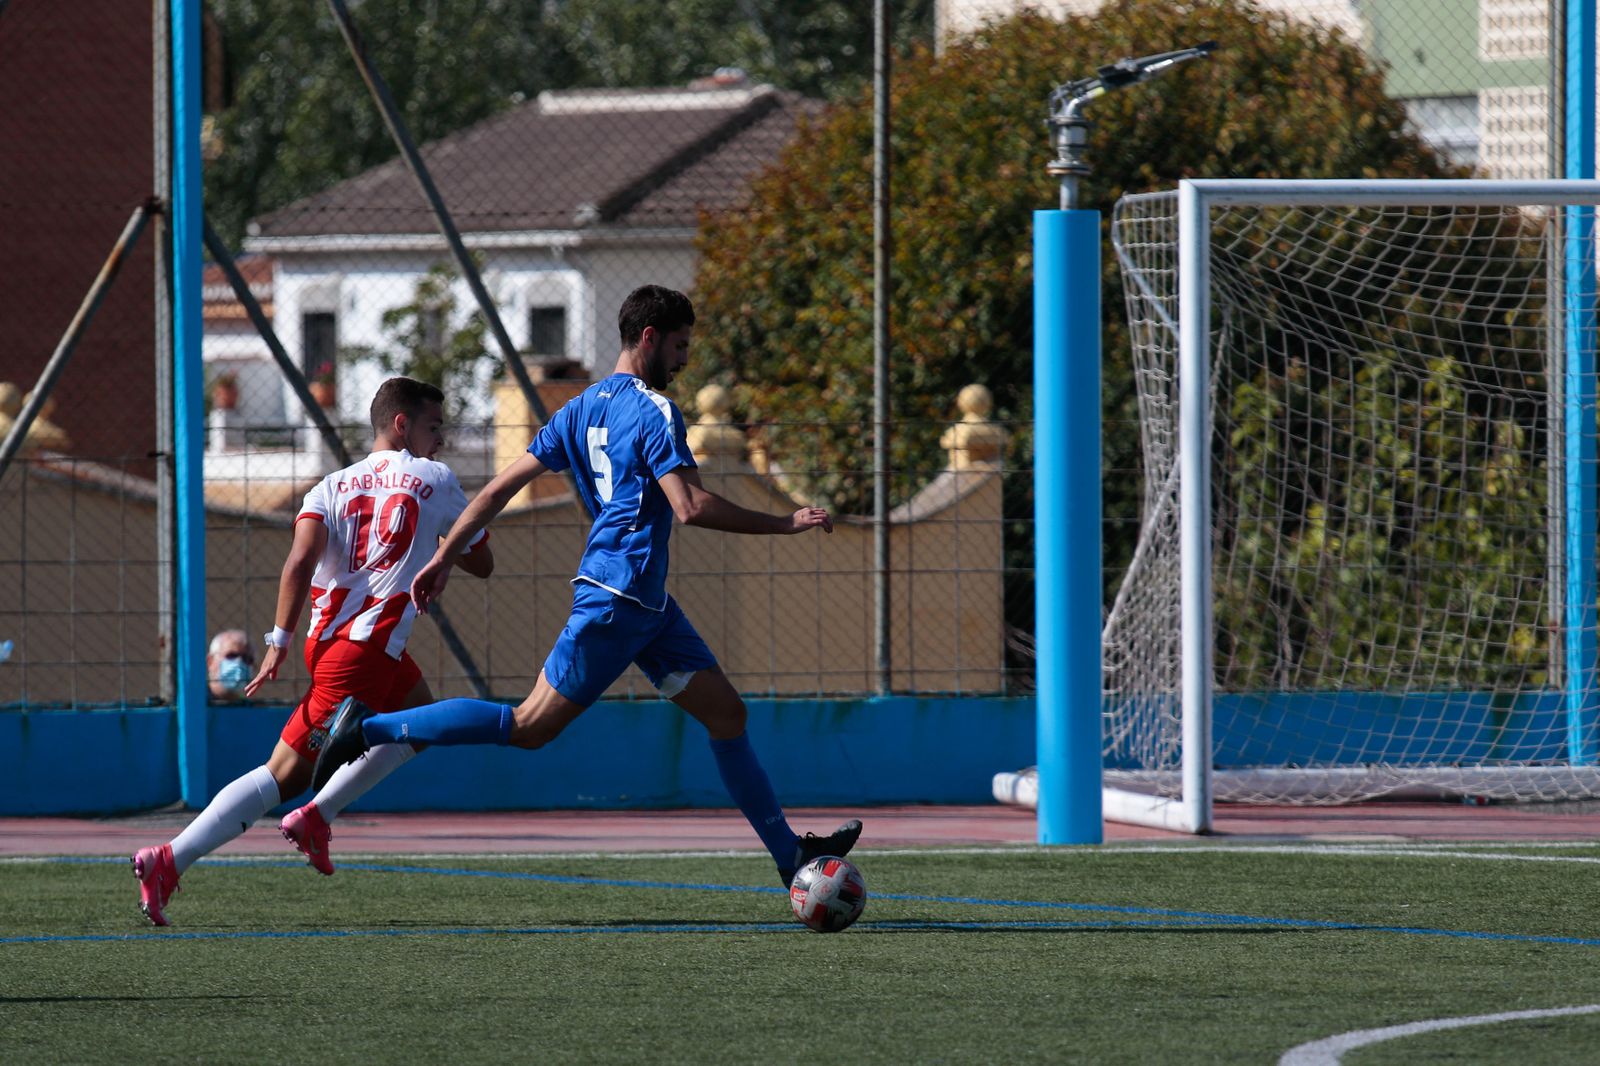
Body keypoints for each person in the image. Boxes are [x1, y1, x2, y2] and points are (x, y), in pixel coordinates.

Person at [312, 285, 861, 887]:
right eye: (678, 346)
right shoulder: (653, 410)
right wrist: (783, 522)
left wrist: (446, 556)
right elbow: (689, 505)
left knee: (728, 715)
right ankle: (367, 727)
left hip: (647, 605)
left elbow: (498, 489)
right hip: (616, 599)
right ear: (648, 337)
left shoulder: (580, 408)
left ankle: (790, 859)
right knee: (527, 728)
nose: (682, 360)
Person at [130, 377, 495, 925]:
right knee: (284, 774)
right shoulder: (436, 480)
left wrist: (278, 640)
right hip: (364, 651)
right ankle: (173, 858)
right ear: (402, 425)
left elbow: (299, 563)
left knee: (418, 714)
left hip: (326, 641)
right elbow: (483, 562)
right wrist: (441, 541)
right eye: (433, 426)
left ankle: (317, 816)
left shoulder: (330, 485)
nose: (440, 440)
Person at [207, 629, 256, 702]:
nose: (239, 663)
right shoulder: (192, 701)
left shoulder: (253, 709)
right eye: (231, 656)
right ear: (210, 662)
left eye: (247, 658)